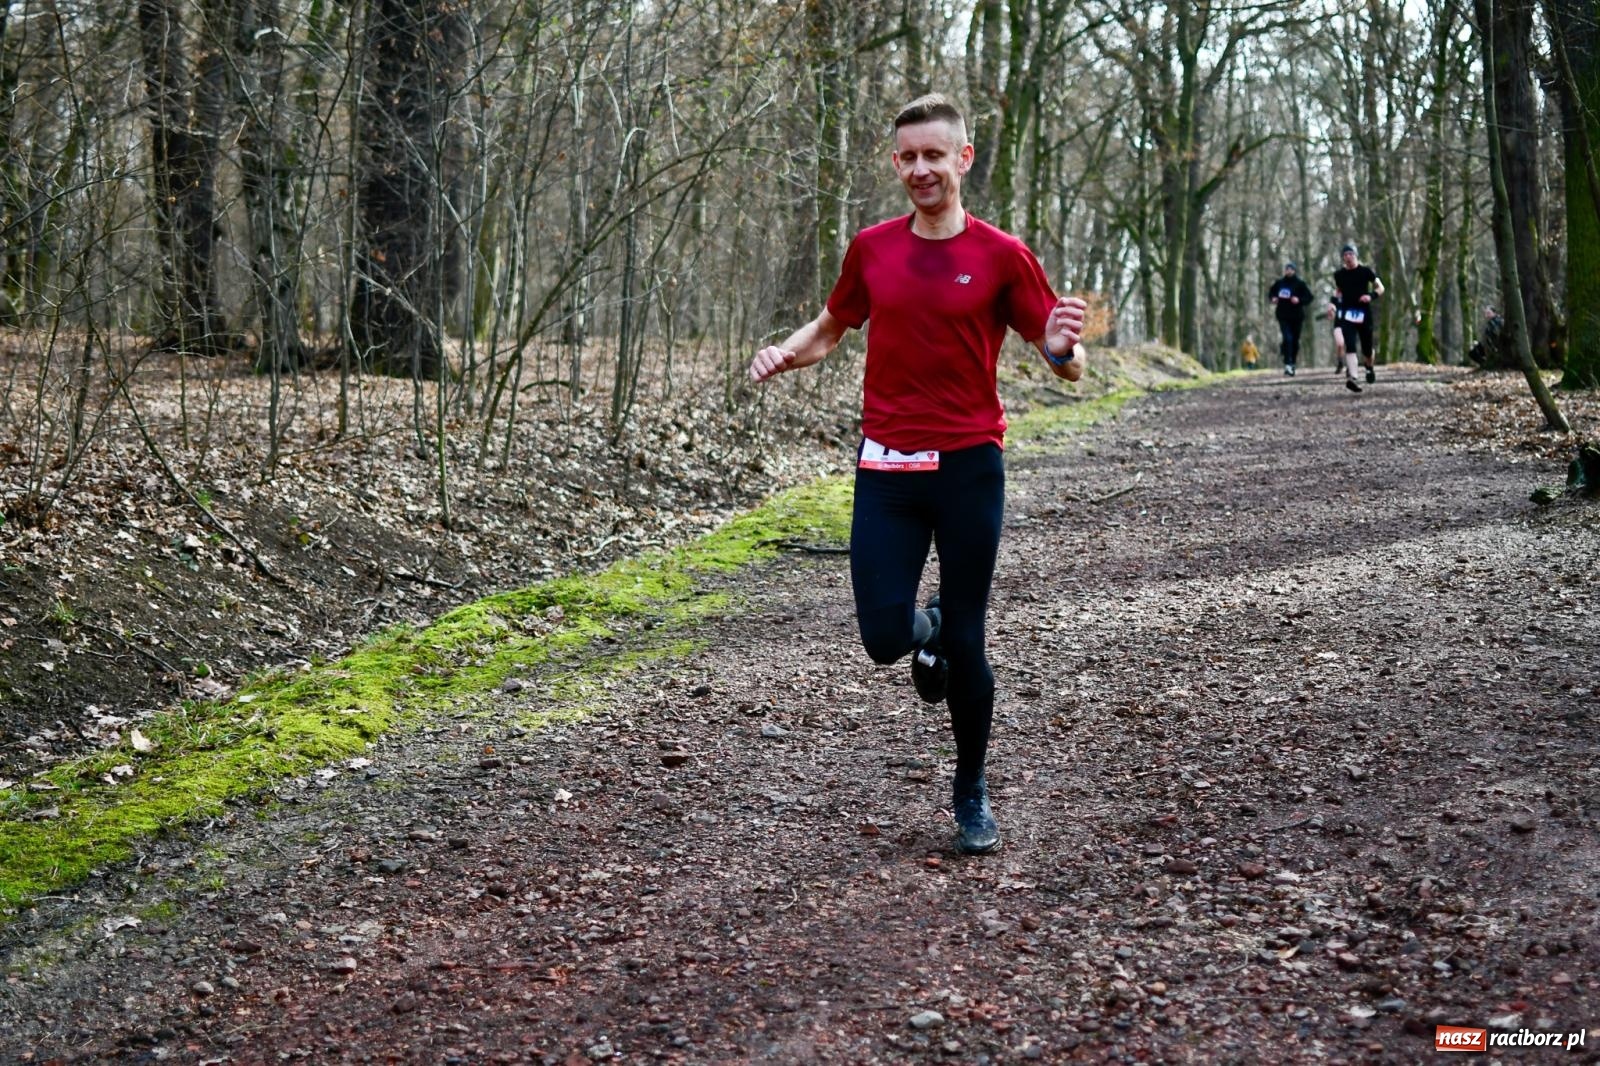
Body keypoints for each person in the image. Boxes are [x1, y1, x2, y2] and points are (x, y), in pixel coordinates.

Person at [748, 94, 1087, 856]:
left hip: (970, 466)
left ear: (963, 159)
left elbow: (1060, 363)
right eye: (909, 157)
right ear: (895, 162)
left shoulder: (1003, 255)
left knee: (969, 642)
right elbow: (832, 326)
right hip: (888, 467)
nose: (922, 169)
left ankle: (970, 791)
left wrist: (1066, 347)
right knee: (881, 637)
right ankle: (921, 629)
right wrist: (785, 352)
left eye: (936, 155)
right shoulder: (871, 248)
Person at [1331, 243, 1384, 392]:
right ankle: (1353, 378)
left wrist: (1371, 296)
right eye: (1345, 255)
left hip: (1364, 314)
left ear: (1356, 255)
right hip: (1348, 315)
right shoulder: (1339, 275)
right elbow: (1338, 292)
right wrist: (1332, 304)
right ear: (1342, 258)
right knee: (1350, 345)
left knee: (1367, 349)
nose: (1348, 257)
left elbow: (1380, 287)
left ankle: (1369, 366)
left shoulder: (1365, 271)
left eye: (1351, 254)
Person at [1266, 262, 1313, 375]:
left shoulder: (1300, 284)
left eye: (1291, 269)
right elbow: (1271, 293)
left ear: (1294, 270)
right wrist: (1273, 298)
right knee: (1288, 338)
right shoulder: (1279, 283)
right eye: (1287, 269)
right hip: (1283, 315)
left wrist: (1299, 300)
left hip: (1297, 316)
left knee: (1295, 340)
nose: (1288, 271)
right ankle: (1287, 364)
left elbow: (1309, 297)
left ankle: (1292, 363)